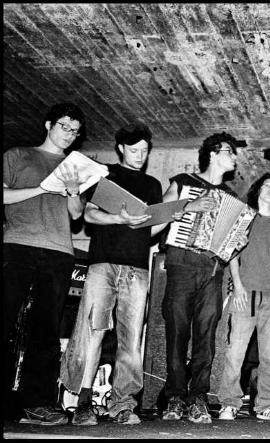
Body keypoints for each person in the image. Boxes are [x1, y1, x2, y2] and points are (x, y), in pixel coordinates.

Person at [59, 122, 164, 425]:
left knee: (131, 339)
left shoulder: (153, 184)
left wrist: (170, 217)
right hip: (103, 264)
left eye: (144, 150)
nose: (140, 155)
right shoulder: (105, 175)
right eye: (134, 150)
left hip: (137, 268)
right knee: (93, 330)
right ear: (120, 149)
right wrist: (119, 218)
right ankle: (82, 402)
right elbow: (89, 215)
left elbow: (149, 230)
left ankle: (123, 404)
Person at [3, 103, 86, 425]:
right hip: (17, 246)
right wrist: (42, 187)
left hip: (59, 252)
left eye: (75, 131)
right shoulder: (18, 155)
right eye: (64, 126)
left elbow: (77, 215)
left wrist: (74, 192)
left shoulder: (74, 166)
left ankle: (37, 404)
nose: (69, 134)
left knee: (46, 331)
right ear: (49, 124)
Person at [160, 132, 239, 424]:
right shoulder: (183, 182)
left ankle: (198, 398)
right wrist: (188, 207)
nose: (235, 157)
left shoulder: (231, 196)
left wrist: (237, 240)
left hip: (212, 271)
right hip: (181, 264)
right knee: (177, 334)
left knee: (206, 338)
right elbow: (157, 214)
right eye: (229, 151)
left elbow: (230, 244)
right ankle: (175, 397)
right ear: (213, 154)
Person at [217, 173, 270, 422]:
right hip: (245, 295)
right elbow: (232, 254)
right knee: (235, 353)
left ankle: (266, 405)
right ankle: (229, 403)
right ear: (258, 190)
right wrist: (237, 286)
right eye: (267, 186)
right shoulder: (244, 218)